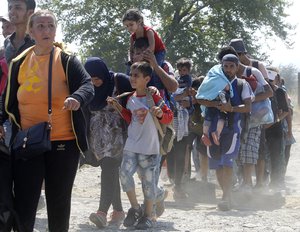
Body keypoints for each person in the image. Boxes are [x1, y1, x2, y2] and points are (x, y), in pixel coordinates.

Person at [0, 10, 94, 231]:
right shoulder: (18, 62)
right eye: (40, 26)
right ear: (31, 31)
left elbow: (87, 84)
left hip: (63, 142)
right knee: (24, 203)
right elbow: (7, 98)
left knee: (58, 203)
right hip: (27, 142)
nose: (46, 30)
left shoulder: (67, 59)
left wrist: (77, 98)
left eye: (50, 26)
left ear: (55, 30)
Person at [107, 61, 173, 229]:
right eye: (131, 74)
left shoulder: (155, 96)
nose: (132, 78)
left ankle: (149, 215)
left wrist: (159, 114)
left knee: (148, 184)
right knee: (124, 174)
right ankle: (136, 208)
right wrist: (119, 109)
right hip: (132, 145)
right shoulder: (129, 98)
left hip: (150, 148)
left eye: (136, 75)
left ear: (147, 79)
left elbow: (169, 117)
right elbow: (132, 119)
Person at [196, 54, 253, 211]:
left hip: (232, 129)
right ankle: (226, 195)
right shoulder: (214, 82)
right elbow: (199, 99)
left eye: (231, 66)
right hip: (212, 130)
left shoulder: (242, 84)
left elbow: (248, 107)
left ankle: (226, 197)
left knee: (227, 162)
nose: (228, 69)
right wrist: (214, 104)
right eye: (225, 66)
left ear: (237, 67)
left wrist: (232, 108)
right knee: (217, 164)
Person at [83, 57, 131, 228]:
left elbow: (137, 96)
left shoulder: (120, 81)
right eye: (91, 80)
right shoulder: (86, 87)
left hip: (118, 135)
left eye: (97, 78)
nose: (95, 83)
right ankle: (118, 210)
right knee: (109, 171)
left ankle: (101, 212)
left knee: (109, 169)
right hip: (97, 138)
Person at [265, 67, 289, 191]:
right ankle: (262, 183)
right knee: (262, 158)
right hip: (262, 129)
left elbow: (286, 110)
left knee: (276, 158)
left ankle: (276, 184)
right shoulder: (260, 90)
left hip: (276, 130)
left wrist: (275, 120)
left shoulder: (279, 92)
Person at [4, 0, 36, 65]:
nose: (11, 12)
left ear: (30, 13)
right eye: (10, 8)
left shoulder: (38, 40)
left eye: (17, 8)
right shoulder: (7, 41)